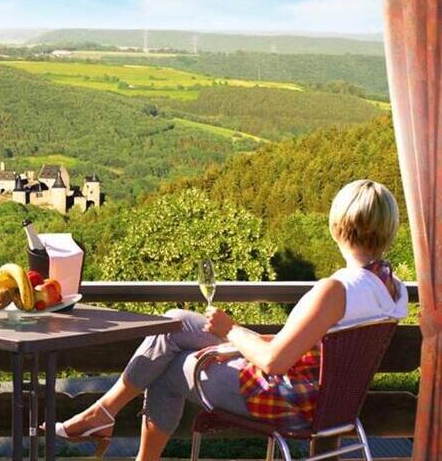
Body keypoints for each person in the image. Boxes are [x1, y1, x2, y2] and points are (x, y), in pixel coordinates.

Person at [52, 179, 409, 460]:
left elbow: (275, 362)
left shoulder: (336, 290)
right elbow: (317, 348)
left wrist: (230, 329)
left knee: (171, 367)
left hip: (289, 401)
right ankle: (103, 412)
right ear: (388, 228)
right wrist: (233, 345)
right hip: (328, 402)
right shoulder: (392, 289)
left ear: (337, 224)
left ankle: (118, 434)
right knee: (176, 321)